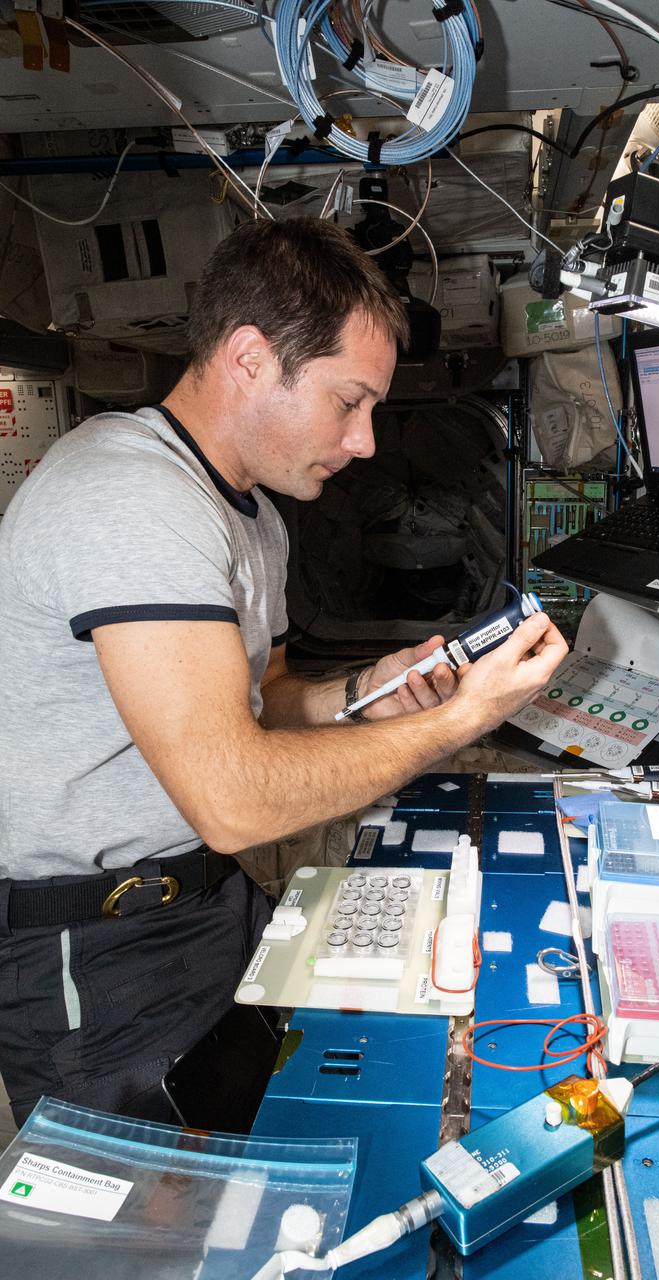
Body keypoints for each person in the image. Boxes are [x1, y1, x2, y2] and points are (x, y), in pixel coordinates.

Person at [0, 216, 568, 1127]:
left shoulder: (251, 513)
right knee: (154, 1242)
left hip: (204, 902)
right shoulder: (128, 498)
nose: (367, 441)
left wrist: (368, 694)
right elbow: (234, 796)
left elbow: (257, 702)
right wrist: (455, 723)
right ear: (252, 358)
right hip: (97, 952)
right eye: (349, 401)